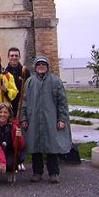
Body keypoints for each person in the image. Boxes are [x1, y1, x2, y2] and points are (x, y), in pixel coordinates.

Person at [21, 56, 71, 184]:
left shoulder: (56, 81)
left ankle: (53, 173)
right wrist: (23, 118)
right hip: (34, 120)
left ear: (47, 66)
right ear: (35, 67)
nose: (41, 67)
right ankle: (37, 172)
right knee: (35, 146)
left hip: (51, 119)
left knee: (52, 146)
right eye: (39, 65)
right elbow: (24, 102)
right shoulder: (30, 82)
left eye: (43, 64)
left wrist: (62, 119)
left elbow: (62, 103)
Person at [5, 47, 30, 171]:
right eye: (11, 55)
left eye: (16, 55)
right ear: (8, 57)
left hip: (22, 107)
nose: (14, 58)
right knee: (11, 135)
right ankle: (12, 160)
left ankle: (21, 160)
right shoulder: (4, 72)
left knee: (22, 135)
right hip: (9, 108)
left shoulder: (25, 71)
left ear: (19, 57)